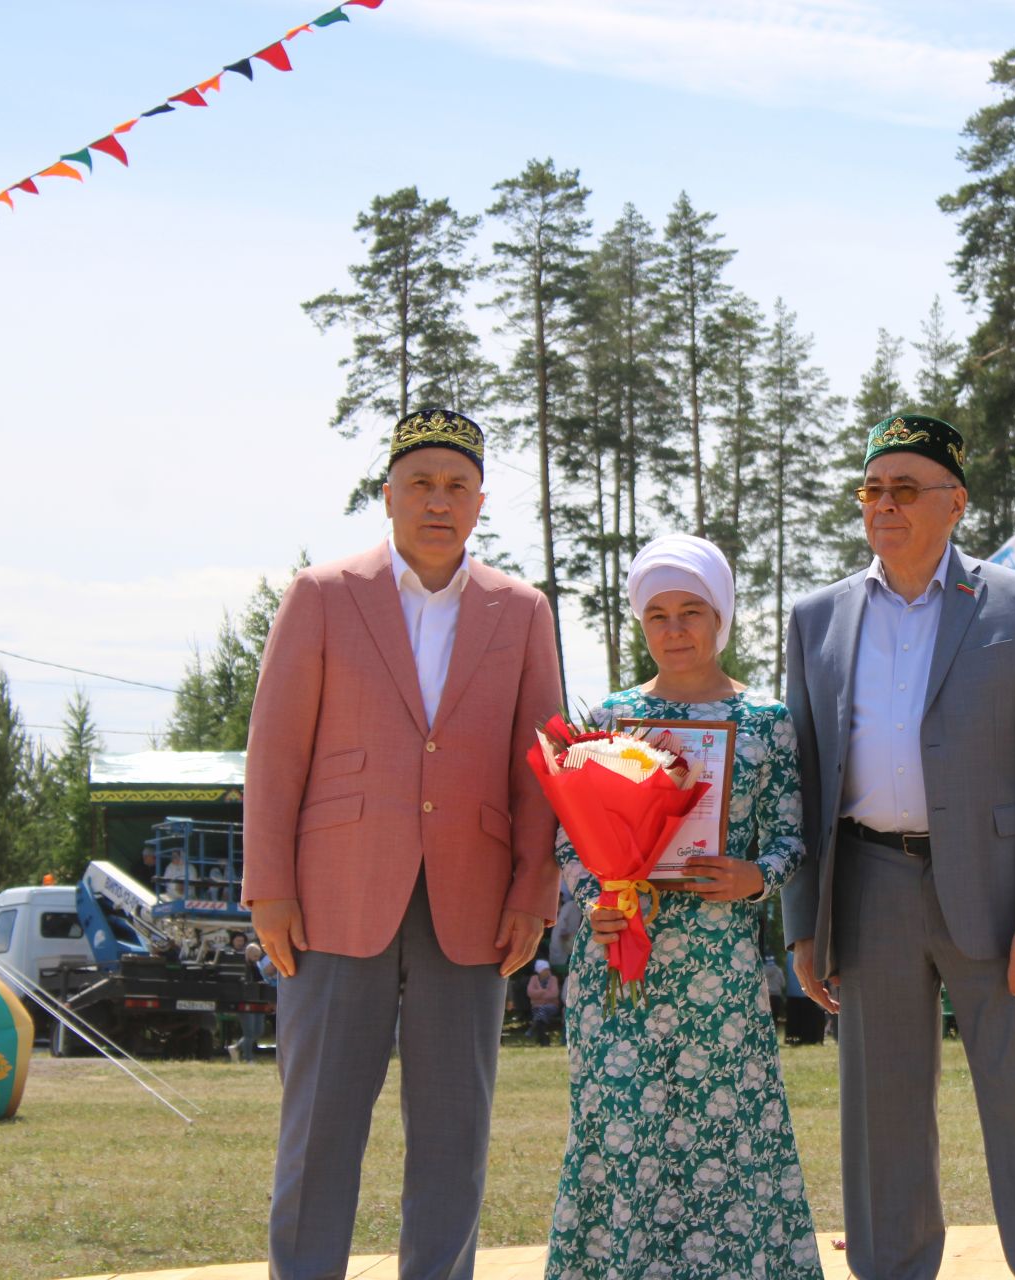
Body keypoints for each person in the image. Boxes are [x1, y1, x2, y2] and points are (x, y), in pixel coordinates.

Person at [241, 408, 560, 1280]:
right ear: (388, 495)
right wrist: (268, 884)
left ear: (481, 502)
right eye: (420, 482)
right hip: (332, 897)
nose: (438, 501)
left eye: (457, 486)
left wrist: (534, 893)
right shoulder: (323, 594)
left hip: (476, 904)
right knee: (319, 1128)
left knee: (456, 1133)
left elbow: (542, 764)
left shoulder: (522, 610)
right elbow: (275, 750)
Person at [782, 414, 1015, 1280]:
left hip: (998, 897)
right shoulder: (817, 618)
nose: (883, 505)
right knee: (882, 1121)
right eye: (871, 489)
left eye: (904, 489)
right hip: (868, 883)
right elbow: (804, 781)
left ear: (955, 503)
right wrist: (805, 925)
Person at [549, 533, 820, 1276]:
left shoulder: (766, 721)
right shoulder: (610, 720)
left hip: (721, 977)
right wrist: (595, 898)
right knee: (620, 1136)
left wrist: (753, 878)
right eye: (657, 615)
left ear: (721, 616)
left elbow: (796, 839)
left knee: (726, 1140)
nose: (674, 630)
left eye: (691, 611)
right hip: (623, 975)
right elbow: (571, 842)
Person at [523, 959, 560, 1047]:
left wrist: (538, 996)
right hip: (537, 1007)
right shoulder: (533, 979)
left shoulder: (553, 979)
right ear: (539, 971)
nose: (547, 971)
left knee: (541, 1011)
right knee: (540, 1016)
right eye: (545, 970)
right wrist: (544, 992)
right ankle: (543, 1042)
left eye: (548, 969)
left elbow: (554, 994)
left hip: (552, 1006)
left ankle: (532, 1030)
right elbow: (530, 992)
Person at [763, 954, 788, 1025]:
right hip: (777, 995)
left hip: (767, 995)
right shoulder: (779, 970)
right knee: (776, 1014)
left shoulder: (763, 969)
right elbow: (783, 984)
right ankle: (775, 1027)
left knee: (767, 1014)